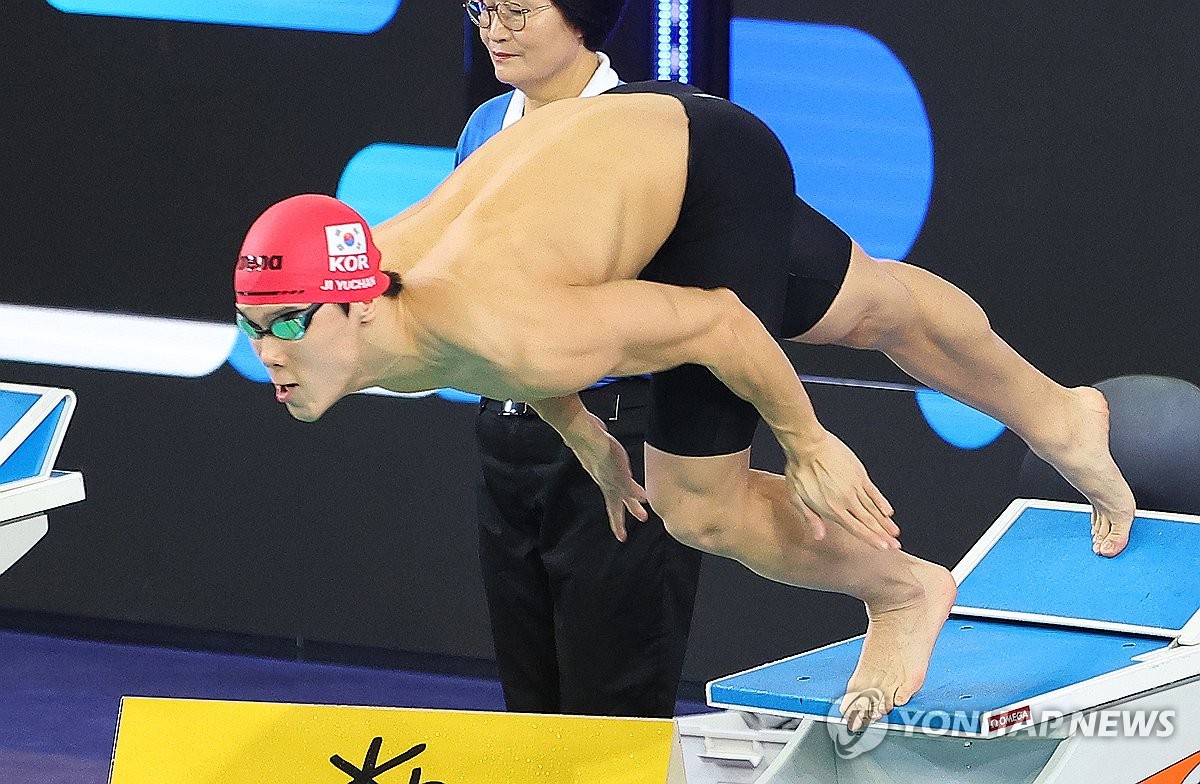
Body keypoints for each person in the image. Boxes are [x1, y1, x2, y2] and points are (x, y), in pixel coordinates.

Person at [233, 81, 1136, 730]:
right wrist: (584, 436)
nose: (267, 351)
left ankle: (904, 591)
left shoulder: (502, 328)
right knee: (876, 306)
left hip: (705, 170)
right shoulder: (369, 318)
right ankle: (1064, 414)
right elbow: (492, 350)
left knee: (697, 502)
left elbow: (716, 323)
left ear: (354, 303)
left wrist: (808, 439)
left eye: (285, 325)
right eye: (250, 326)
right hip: (634, 146)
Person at [455, 0, 703, 718]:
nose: (495, 31)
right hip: (506, 433)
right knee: (530, 705)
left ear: (581, 16)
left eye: (518, 11)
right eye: (481, 9)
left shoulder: (649, 130)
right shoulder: (483, 129)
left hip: (619, 438)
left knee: (612, 708)